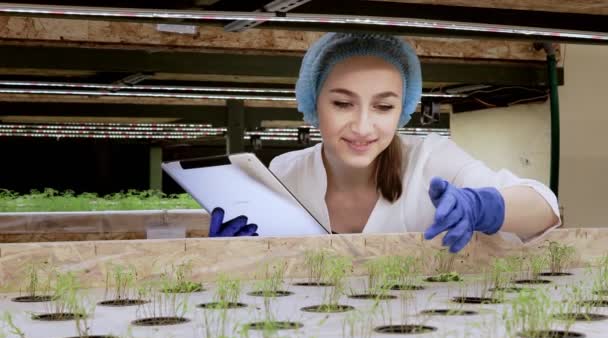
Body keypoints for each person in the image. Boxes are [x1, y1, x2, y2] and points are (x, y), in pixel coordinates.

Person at [209, 32, 560, 253]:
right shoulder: (287, 172)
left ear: (402, 109)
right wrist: (236, 252)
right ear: (313, 102)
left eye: (383, 106)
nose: (363, 126)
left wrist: (483, 207)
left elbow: (544, 209)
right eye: (342, 103)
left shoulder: (430, 159)